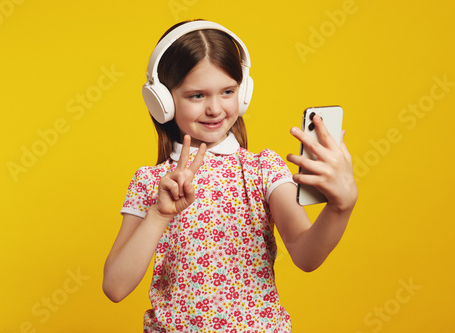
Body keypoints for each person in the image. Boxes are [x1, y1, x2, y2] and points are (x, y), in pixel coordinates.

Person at [103, 19, 358, 333]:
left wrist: (339, 208)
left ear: (244, 91)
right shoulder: (150, 181)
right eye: (197, 96)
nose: (214, 108)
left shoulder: (262, 169)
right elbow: (115, 287)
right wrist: (158, 215)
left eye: (227, 92)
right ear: (164, 102)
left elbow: (306, 255)